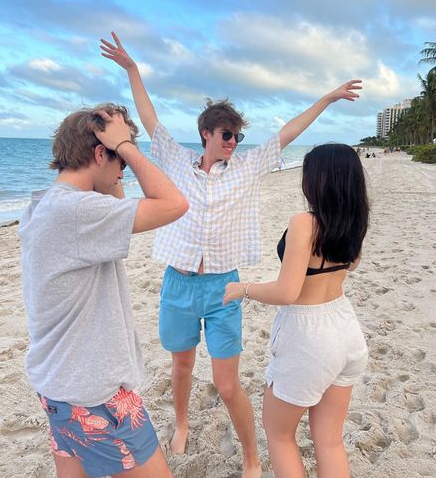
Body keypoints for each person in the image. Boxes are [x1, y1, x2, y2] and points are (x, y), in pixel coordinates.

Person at [100, 31, 362, 478]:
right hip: (178, 282)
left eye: (238, 135)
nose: (233, 142)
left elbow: (288, 131)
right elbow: (149, 118)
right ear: (205, 133)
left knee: (227, 383)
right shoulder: (178, 163)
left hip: (225, 284)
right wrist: (133, 70)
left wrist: (328, 98)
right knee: (180, 364)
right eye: (226, 134)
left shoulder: (246, 167)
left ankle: (252, 454)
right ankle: (181, 422)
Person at [19, 104, 189, 478]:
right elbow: (175, 204)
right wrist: (127, 147)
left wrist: (115, 159)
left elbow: (116, 203)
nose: (123, 174)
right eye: (120, 165)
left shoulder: (44, 204)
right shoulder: (78, 212)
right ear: (100, 153)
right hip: (95, 395)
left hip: (58, 384)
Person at [223, 143, 369, 478]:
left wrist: (243, 289)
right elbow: (353, 265)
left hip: (309, 336)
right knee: (330, 441)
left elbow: (288, 292)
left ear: (318, 180)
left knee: (279, 434)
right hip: (345, 328)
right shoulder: (354, 221)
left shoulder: (305, 222)